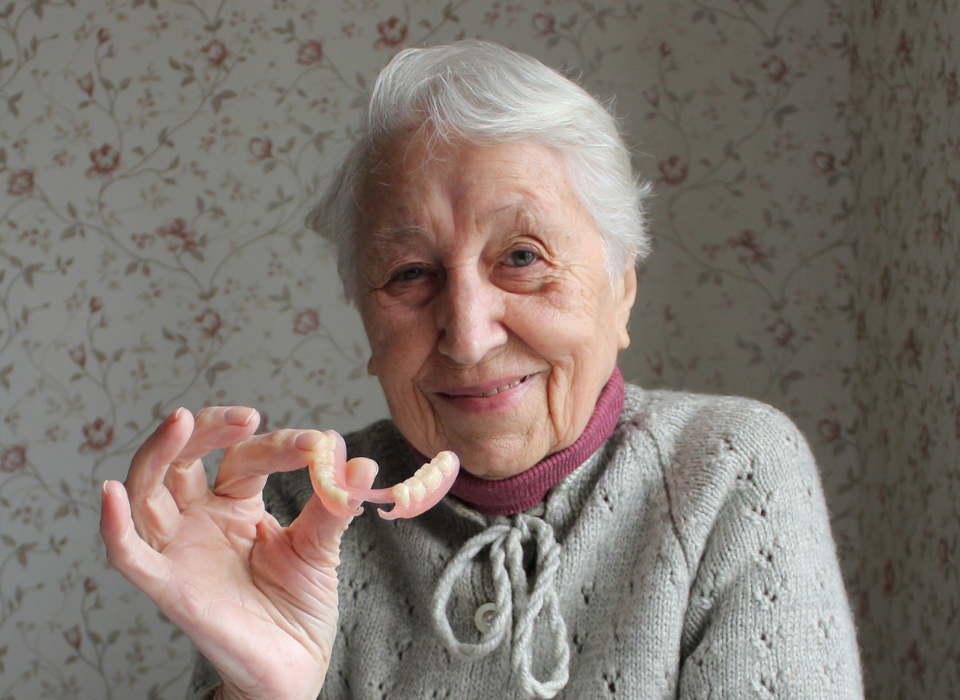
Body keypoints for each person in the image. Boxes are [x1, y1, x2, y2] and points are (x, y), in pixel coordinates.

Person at [100, 41, 864, 700]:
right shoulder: (292, 516)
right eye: (408, 273)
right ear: (367, 322)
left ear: (621, 287)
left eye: (523, 257)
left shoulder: (730, 474)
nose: (466, 335)